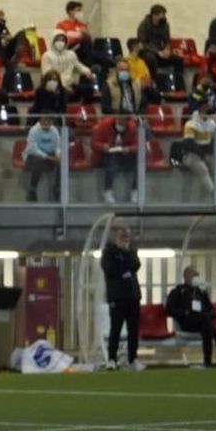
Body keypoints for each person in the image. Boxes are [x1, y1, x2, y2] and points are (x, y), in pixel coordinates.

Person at [164, 266, 216, 368]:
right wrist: (185, 312)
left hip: (202, 322)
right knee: (206, 324)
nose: (197, 277)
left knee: (206, 325)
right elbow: (168, 310)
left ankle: (208, 362)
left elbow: (211, 310)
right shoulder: (178, 291)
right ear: (186, 276)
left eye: (197, 275)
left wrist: (208, 315)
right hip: (186, 322)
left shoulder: (201, 293)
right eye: (195, 275)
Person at [101, 226, 143, 371]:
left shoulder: (131, 251)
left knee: (133, 330)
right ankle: (112, 359)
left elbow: (135, 265)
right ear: (115, 238)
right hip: (117, 297)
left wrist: (126, 253)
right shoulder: (108, 252)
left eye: (126, 237)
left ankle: (133, 359)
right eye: (121, 236)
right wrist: (123, 268)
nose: (124, 239)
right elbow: (110, 269)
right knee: (116, 329)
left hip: (132, 296)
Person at [177, 102, 216, 201]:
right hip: (192, 154)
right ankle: (214, 193)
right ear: (201, 109)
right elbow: (188, 144)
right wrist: (203, 153)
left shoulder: (211, 123)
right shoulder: (190, 124)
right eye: (206, 109)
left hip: (206, 153)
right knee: (202, 168)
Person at [94, 115, 140, 205]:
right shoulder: (104, 125)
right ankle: (108, 191)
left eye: (124, 121)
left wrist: (129, 149)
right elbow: (94, 143)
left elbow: (137, 145)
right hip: (108, 154)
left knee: (139, 162)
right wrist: (103, 146)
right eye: (119, 120)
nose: (121, 123)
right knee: (111, 162)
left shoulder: (132, 127)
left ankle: (135, 190)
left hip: (124, 154)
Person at [41, 33, 95, 104]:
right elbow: (47, 75)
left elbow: (79, 66)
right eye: (57, 40)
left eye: (62, 40)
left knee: (89, 89)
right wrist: (63, 87)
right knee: (62, 93)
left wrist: (88, 72)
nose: (60, 42)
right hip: (53, 86)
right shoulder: (47, 55)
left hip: (70, 84)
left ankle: (83, 111)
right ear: (53, 41)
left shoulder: (71, 54)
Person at [22, 114, 61, 202]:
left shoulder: (54, 130)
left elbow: (57, 146)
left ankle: (57, 187)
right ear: (41, 120)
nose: (47, 123)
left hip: (49, 155)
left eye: (49, 121)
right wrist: (48, 157)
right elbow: (33, 149)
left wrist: (58, 155)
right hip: (32, 157)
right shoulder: (34, 130)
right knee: (38, 160)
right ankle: (32, 189)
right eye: (45, 120)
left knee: (62, 162)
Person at [136, 4, 179, 75]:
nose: (164, 17)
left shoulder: (165, 25)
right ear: (154, 16)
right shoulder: (143, 25)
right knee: (151, 59)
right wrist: (157, 52)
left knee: (177, 59)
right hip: (147, 51)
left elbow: (167, 41)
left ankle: (177, 79)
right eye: (162, 15)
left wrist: (167, 50)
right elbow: (142, 44)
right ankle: (153, 80)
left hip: (160, 50)